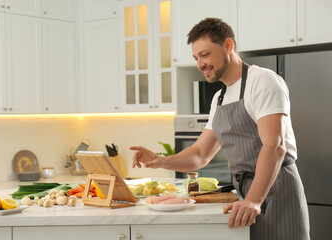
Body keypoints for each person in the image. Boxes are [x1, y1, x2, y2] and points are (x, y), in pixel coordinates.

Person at [130, 18, 310, 240]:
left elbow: (275, 145)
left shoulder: (262, 81)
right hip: (243, 195)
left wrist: (253, 200)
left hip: (276, 191)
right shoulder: (220, 98)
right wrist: (161, 160)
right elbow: (200, 154)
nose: (199, 64)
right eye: (196, 58)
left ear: (228, 46)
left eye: (205, 55)